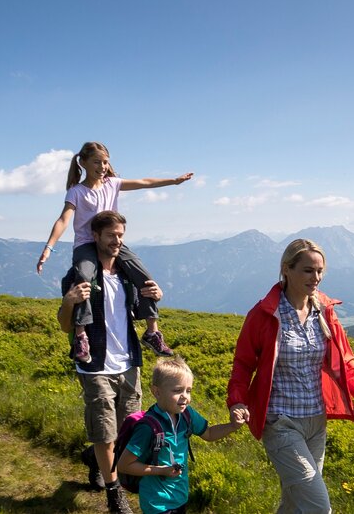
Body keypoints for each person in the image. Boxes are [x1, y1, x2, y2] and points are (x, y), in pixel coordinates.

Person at [226, 238, 354, 514]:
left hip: (316, 423)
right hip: (280, 423)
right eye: (308, 270)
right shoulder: (264, 314)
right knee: (318, 506)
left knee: (295, 504)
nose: (316, 278)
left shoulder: (324, 312)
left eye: (319, 271)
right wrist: (237, 401)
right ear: (286, 269)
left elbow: (347, 365)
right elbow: (243, 365)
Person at [42, 141, 194, 363]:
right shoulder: (76, 192)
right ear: (83, 163)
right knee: (84, 280)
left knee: (144, 276)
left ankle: (152, 331)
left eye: (105, 162)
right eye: (97, 162)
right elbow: (64, 219)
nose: (103, 166)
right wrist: (49, 247)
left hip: (111, 241)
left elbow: (144, 182)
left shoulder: (112, 184)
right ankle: (81, 336)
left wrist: (174, 181)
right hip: (86, 244)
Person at [57, 210, 164, 514]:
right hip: (94, 364)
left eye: (121, 236)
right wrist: (69, 301)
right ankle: (115, 495)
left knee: (125, 432)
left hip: (129, 363)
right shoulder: (78, 276)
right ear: (96, 237)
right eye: (111, 236)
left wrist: (158, 294)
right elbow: (65, 325)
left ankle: (94, 458)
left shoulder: (129, 277)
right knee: (105, 433)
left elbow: (142, 307)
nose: (117, 241)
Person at [118, 356, 246, 514]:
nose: (185, 396)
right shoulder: (148, 428)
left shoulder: (187, 416)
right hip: (156, 502)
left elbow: (209, 433)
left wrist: (232, 426)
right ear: (156, 392)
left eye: (188, 390)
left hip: (180, 497)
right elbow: (124, 465)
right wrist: (161, 470)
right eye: (178, 390)